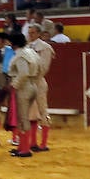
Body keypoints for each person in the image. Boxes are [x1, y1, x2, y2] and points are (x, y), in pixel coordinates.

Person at [26, 21, 55, 152]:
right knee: (31, 113)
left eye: (32, 33)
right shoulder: (26, 47)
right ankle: (33, 142)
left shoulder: (45, 47)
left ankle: (43, 143)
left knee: (42, 111)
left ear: (39, 33)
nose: (30, 35)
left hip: (38, 82)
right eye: (29, 32)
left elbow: (44, 68)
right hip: (27, 83)